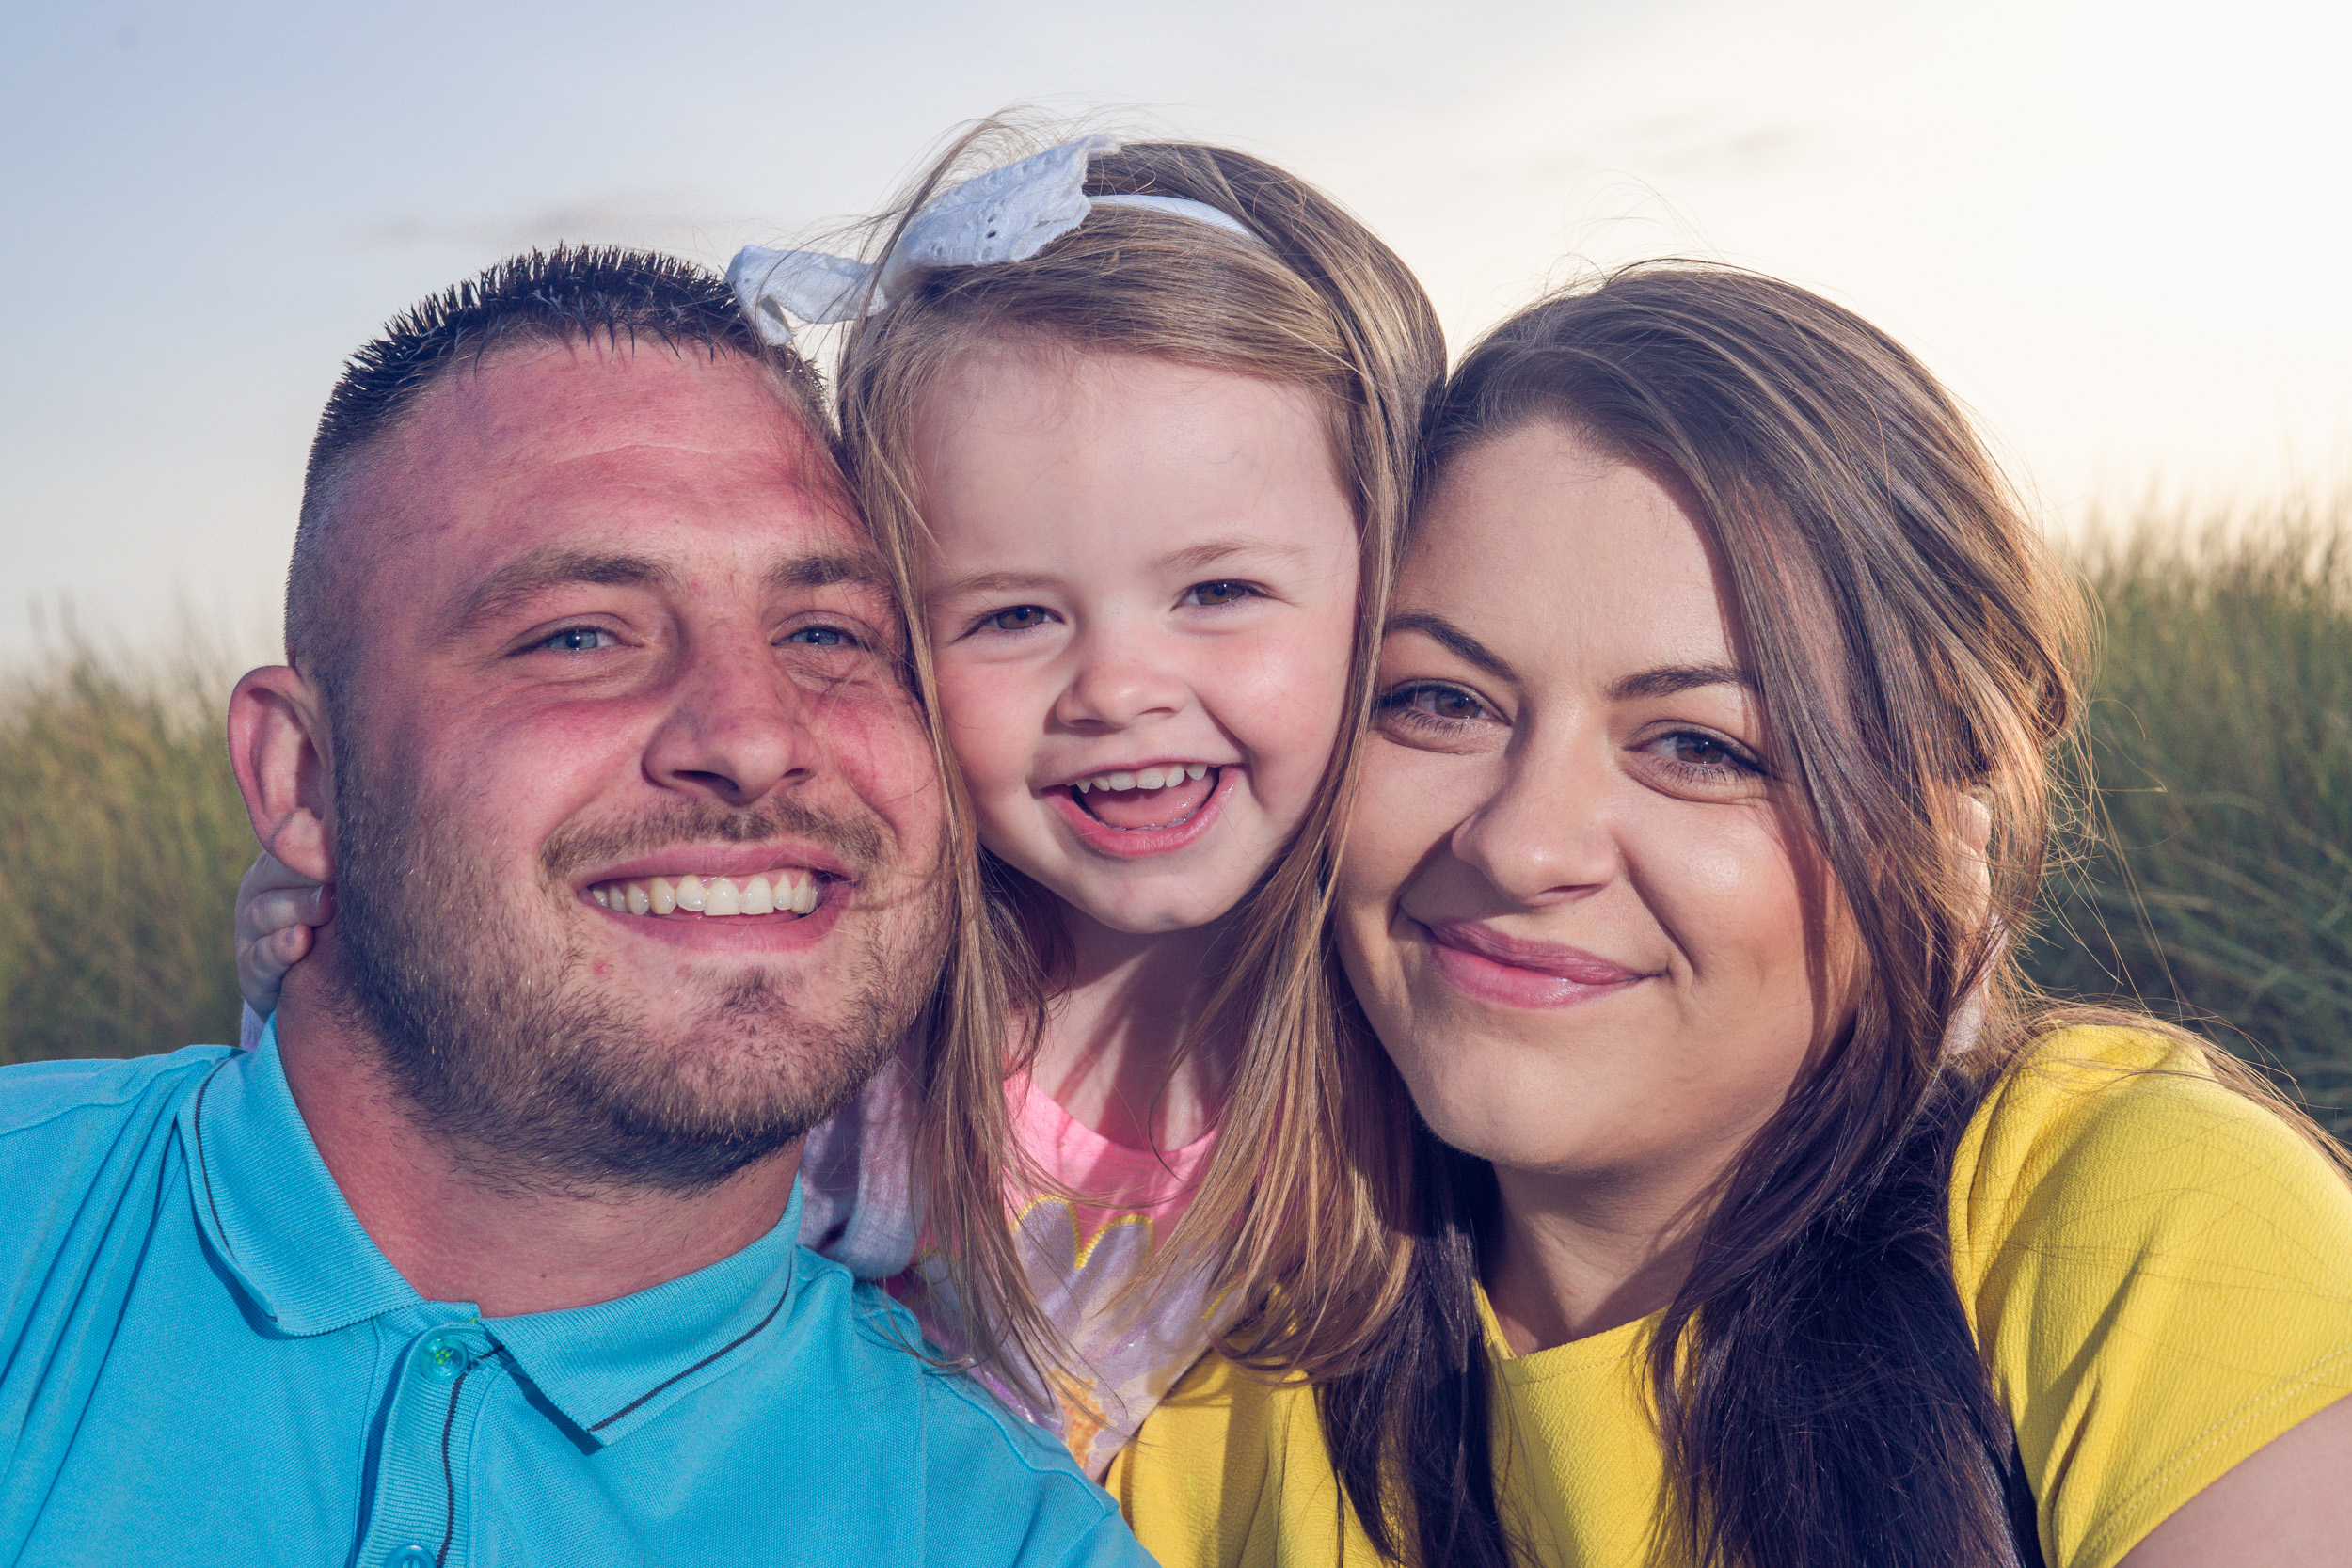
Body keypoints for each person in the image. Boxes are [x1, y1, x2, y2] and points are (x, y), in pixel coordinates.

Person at [239, 126, 1446, 1477]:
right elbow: (509, 1169)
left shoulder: (1408, 1025)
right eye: (1013, 614)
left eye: (1218, 592)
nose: (1117, 687)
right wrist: (336, 931)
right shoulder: (871, 1033)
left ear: (1385, 580)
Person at [1109, 264, 2352, 1566]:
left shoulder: (2138, 1234)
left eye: (1703, 746)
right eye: (1441, 701)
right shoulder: (1208, 1391)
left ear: (1947, 838)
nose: (1525, 843)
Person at [0, 246, 1148, 1568]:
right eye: (580, 636)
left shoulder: (1000, 1533)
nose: (754, 735)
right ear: (304, 777)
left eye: (830, 635)